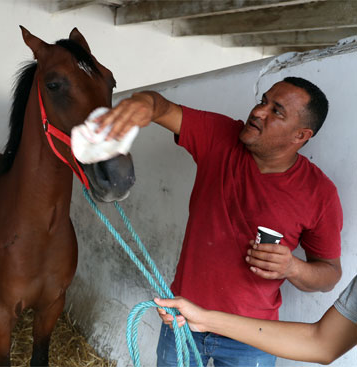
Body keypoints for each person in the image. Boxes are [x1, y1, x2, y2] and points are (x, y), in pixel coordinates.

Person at [97, 77, 343, 366]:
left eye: (276, 111)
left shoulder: (320, 193)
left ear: (301, 135)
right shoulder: (221, 137)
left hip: (254, 338)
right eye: (263, 101)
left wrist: (293, 267)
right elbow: (163, 109)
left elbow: (329, 274)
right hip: (183, 320)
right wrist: (143, 103)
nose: (258, 111)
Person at [154, 273, 357, 365]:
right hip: (193, 327)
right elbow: (321, 343)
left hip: (249, 346)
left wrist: (291, 267)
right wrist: (204, 320)